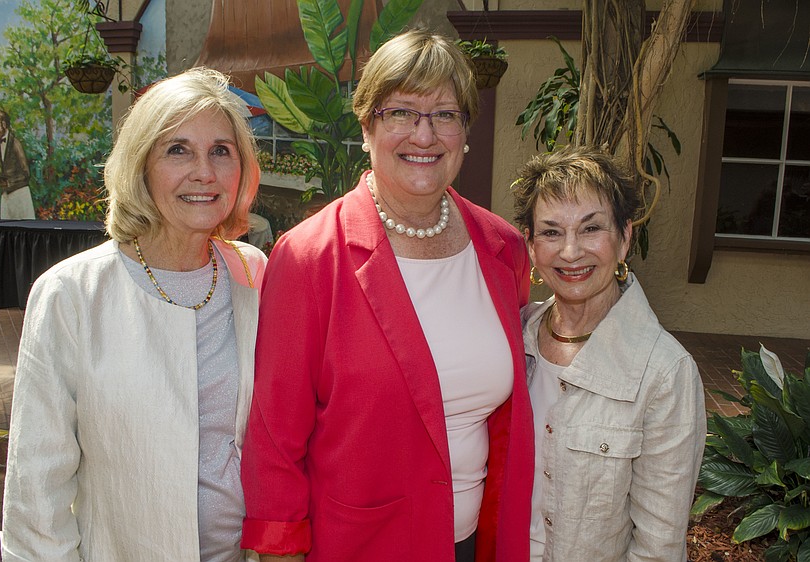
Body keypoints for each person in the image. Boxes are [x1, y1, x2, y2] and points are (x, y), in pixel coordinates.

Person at [241, 29, 532, 562]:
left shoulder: (503, 250)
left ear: (465, 131)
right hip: (361, 544)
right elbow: (273, 435)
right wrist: (280, 548)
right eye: (400, 111)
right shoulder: (309, 258)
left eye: (445, 114)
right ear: (367, 124)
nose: (424, 135)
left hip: (474, 543)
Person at [1, 68, 267, 562]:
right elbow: (36, 496)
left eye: (221, 151)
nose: (204, 172)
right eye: (177, 149)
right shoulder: (71, 295)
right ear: (141, 165)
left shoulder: (253, 275)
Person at [511, 145, 706, 560]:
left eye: (591, 228)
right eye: (550, 231)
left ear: (624, 238)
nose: (570, 251)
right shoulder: (511, 339)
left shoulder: (664, 374)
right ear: (530, 246)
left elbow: (659, 546)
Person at [0, 109, 35, 219]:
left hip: (20, 194)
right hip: (6, 195)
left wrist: (9, 183)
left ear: (4, 124)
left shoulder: (15, 143)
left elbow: (26, 173)